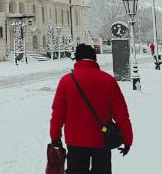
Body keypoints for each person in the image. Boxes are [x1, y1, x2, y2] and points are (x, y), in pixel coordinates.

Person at [50, 44, 133, 174]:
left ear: (76, 59)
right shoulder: (108, 80)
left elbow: (58, 113)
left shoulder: (66, 81)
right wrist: (128, 139)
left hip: (75, 141)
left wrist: (55, 136)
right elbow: (121, 113)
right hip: (102, 140)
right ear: (95, 59)